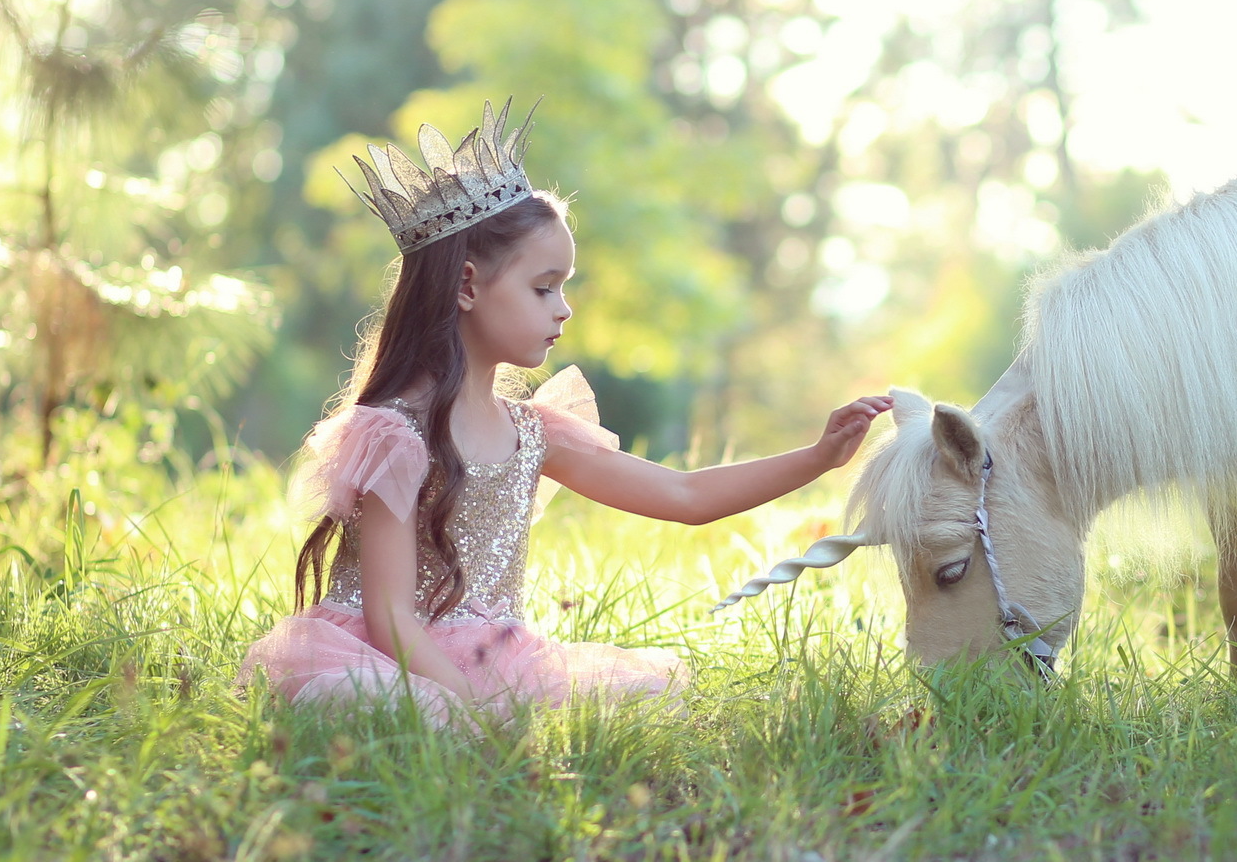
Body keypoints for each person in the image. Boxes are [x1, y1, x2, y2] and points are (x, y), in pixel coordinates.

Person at [240, 101, 891, 723]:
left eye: (563, 287)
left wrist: (817, 457)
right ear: (467, 286)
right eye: (543, 287)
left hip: (498, 662)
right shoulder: (394, 435)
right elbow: (389, 617)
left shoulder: (533, 432)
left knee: (636, 699)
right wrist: (469, 709)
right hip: (392, 660)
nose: (563, 309)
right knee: (406, 711)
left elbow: (685, 494)